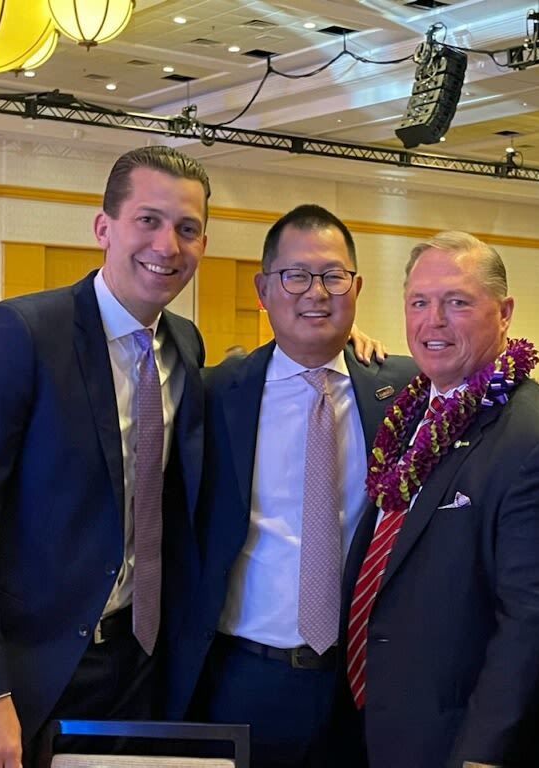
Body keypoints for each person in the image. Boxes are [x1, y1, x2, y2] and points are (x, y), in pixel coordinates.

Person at [0, 146, 213, 768]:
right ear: (104, 227)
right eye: (148, 221)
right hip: (22, 675)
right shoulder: (17, 334)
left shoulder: (184, 344)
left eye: (187, 228)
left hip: (135, 667)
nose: (169, 244)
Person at [179, 204, 416, 768]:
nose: (316, 292)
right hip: (243, 678)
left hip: (363, 682)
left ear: (355, 288)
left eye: (334, 277)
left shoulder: (402, 391)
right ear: (264, 289)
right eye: (296, 276)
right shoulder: (214, 394)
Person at [343, 231, 539, 767]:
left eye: (457, 302)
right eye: (419, 303)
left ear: (504, 313)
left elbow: (527, 624)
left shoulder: (537, 441)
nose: (434, 321)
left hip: (452, 740)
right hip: (376, 720)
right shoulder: (411, 408)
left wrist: (479, 756)